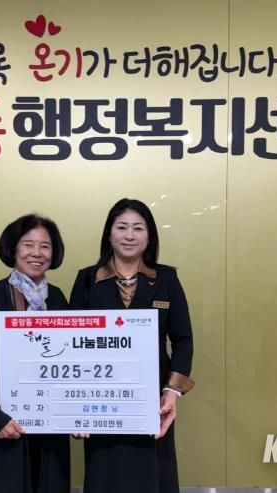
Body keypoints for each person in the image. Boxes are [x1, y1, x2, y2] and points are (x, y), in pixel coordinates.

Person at [69, 198, 194, 493]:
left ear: (149, 236)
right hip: (101, 397)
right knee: (105, 474)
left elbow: (183, 339)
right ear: (109, 234)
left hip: (152, 399)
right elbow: (71, 342)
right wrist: (74, 404)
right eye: (121, 227)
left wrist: (172, 392)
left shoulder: (166, 279)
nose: (129, 235)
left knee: (152, 476)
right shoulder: (87, 279)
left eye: (138, 228)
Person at [0, 214, 70, 493]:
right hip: (5, 422)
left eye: (45, 246)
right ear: (13, 249)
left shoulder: (58, 299)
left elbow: (72, 361)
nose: (37, 253)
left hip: (51, 425)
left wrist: (76, 413)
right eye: (28, 245)